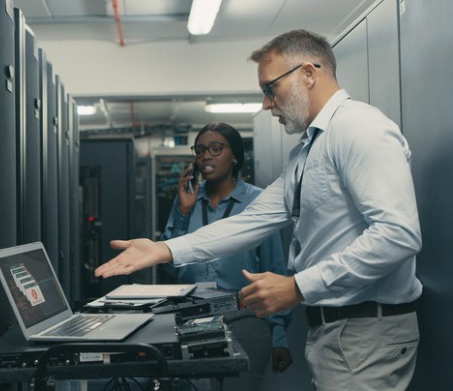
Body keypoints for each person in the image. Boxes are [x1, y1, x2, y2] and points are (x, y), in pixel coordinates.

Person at [95, 29, 421, 390]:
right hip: (338, 331)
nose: (267, 104)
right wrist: (165, 249)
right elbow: (251, 220)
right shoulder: (308, 150)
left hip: (364, 330)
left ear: (308, 73)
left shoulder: (360, 128)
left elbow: (398, 235)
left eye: (271, 88)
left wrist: (298, 286)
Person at [160, 121, 293, 389]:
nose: (206, 155)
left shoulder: (259, 202)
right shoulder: (186, 200)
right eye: (199, 150)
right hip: (192, 318)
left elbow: (274, 271)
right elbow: (170, 269)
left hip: (245, 319)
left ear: (234, 156)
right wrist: (184, 214)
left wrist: (279, 336)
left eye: (215, 148)